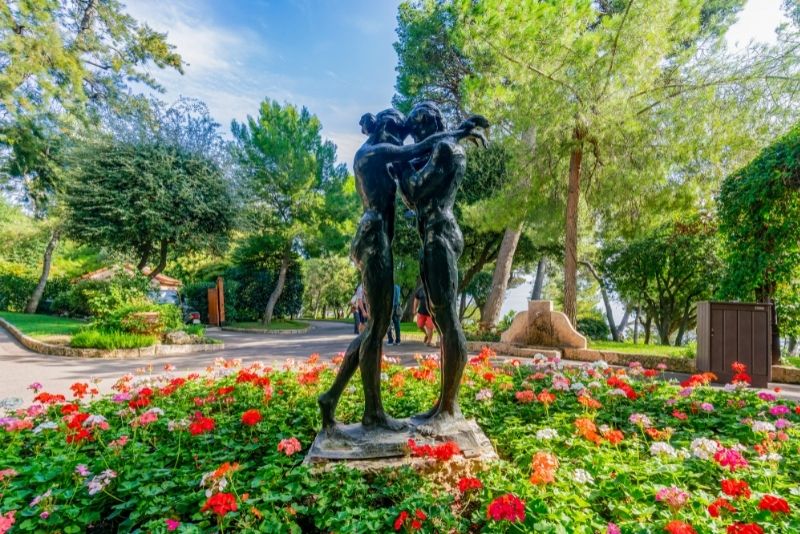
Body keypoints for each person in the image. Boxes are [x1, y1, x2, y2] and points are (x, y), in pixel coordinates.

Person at [317, 108, 485, 431]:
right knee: (377, 327)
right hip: (374, 238)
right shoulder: (374, 152)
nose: (406, 138)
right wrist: (456, 132)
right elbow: (411, 157)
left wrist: (455, 134)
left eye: (413, 129)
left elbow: (413, 179)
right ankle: (369, 411)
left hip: (416, 236)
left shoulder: (439, 151)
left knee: (393, 326)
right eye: (400, 131)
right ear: (383, 129)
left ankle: (434, 407)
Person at [398, 101, 488, 424]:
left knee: (448, 320)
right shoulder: (441, 147)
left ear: (431, 125)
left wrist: (399, 166)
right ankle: (443, 404)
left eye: (418, 129)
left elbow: (415, 189)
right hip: (433, 235)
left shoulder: (446, 151)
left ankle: (449, 408)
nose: (414, 137)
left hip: (440, 235)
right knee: (440, 318)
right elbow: (413, 196)